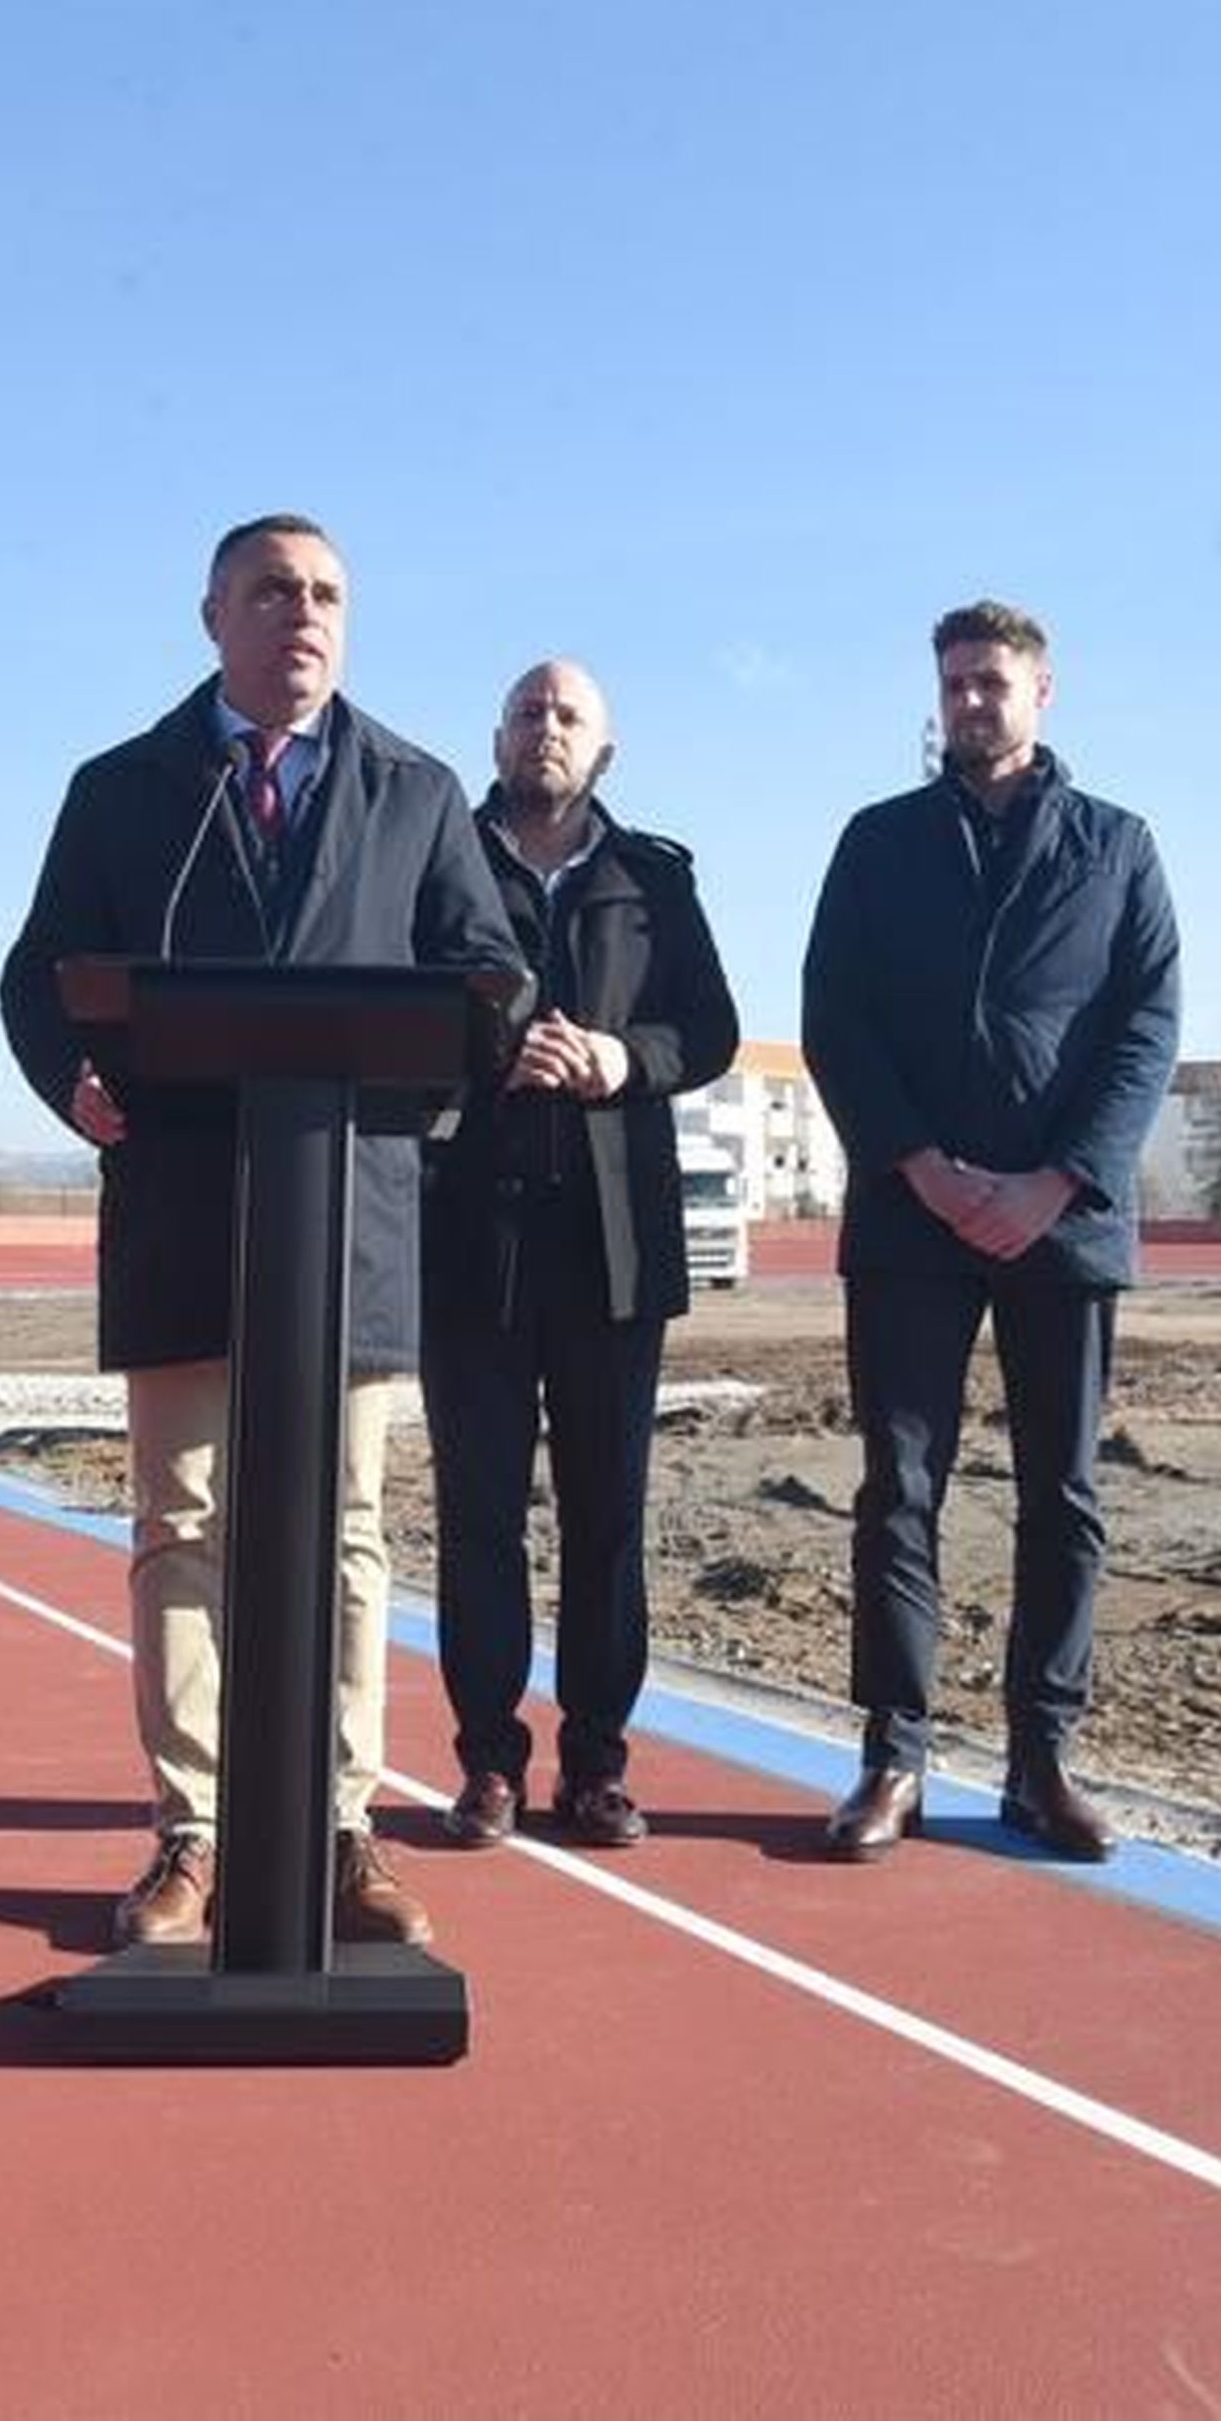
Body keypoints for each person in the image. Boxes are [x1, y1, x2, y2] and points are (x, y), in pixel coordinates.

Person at [0, 513, 524, 1949]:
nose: (305, 613)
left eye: (329, 594)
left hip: (344, 1215)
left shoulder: (414, 790)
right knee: (183, 1526)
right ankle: (193, 1833)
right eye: (275, 591)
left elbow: (490, 978)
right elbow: (38, 974)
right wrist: (73, 1081)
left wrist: (438, 1077)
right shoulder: (124, 790)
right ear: (213, 616)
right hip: (179, 1202)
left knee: (346, 1534)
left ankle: (342, 1825)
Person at [802, 600, 1180, 1865]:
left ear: (1043, 692)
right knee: (898, 1492)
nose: (972, 700)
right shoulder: (878, 843)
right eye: (955, 682)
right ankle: (891, 1757)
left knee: (1061, 1497)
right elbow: (834, 1017)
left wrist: (1056, 1180)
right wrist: (917, 1163)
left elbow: (1146, 1026)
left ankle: (1041, 1760)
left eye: (993, 681)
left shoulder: (1116, 849)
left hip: (1060, 1225)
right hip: (910, 1219)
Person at [420, 658, 738, 1849]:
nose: (542, 729)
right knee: (479, 1517)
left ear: (602, 747)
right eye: (523, 712)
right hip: (474, 1239)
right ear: (495, 736)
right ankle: (488, 1761)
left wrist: (620, 1061)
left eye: (566, 716)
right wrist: (480, 1052)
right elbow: (396, 1007)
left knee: (608, 1518)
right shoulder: (437, 855)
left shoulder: (651, 876)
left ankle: (596, 1763)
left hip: (612, 1246)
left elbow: (703, 1027)